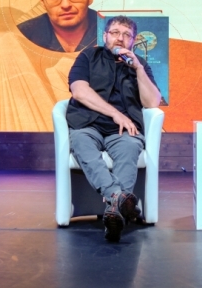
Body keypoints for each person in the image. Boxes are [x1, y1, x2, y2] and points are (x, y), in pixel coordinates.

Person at [66, 16, 162, 242]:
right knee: (81, 142)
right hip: (87, 124)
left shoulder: (139, 64)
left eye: (127, 35)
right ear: (105, 36)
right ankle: (118, 199)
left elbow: (152, 102)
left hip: (123, 131)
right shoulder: (88, 57)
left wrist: (138, 69)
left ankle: (114, 211)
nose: (120, 38)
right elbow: (79, 91)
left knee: (130, 146)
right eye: (115, 33)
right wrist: (115, 113)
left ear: (133, 41)